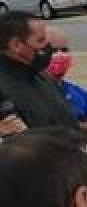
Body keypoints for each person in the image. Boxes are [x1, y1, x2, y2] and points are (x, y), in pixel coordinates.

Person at [0, 11, 81, 140]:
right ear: (16, 45)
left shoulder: (44, 78)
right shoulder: (4, 89)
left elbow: (70, 125)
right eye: (41, 40)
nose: (47, 47)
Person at [44, 25, 87, 145]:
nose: (60, 55)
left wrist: (75, 129)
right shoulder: (28, 92)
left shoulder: (79, 93)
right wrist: (85, 129)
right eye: (53, 51)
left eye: (64, 50)